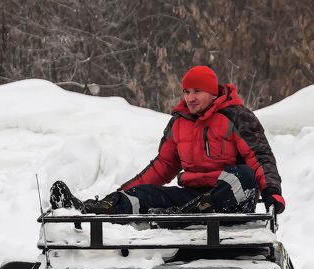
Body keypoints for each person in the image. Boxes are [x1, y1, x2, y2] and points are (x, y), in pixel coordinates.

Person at [50, 65, 285, 216]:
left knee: (243, 175)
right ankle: (88, 210)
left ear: (213, 93)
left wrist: (272, 192)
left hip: (231, 200)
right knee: (145, 194)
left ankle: (197, 210)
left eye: (197, 91)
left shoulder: (237, 116)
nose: (190, 98)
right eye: (186, 92)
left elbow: (260, 157)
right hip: (192, 199)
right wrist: (126, 192)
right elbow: (162, 166)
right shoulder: (179, 123)